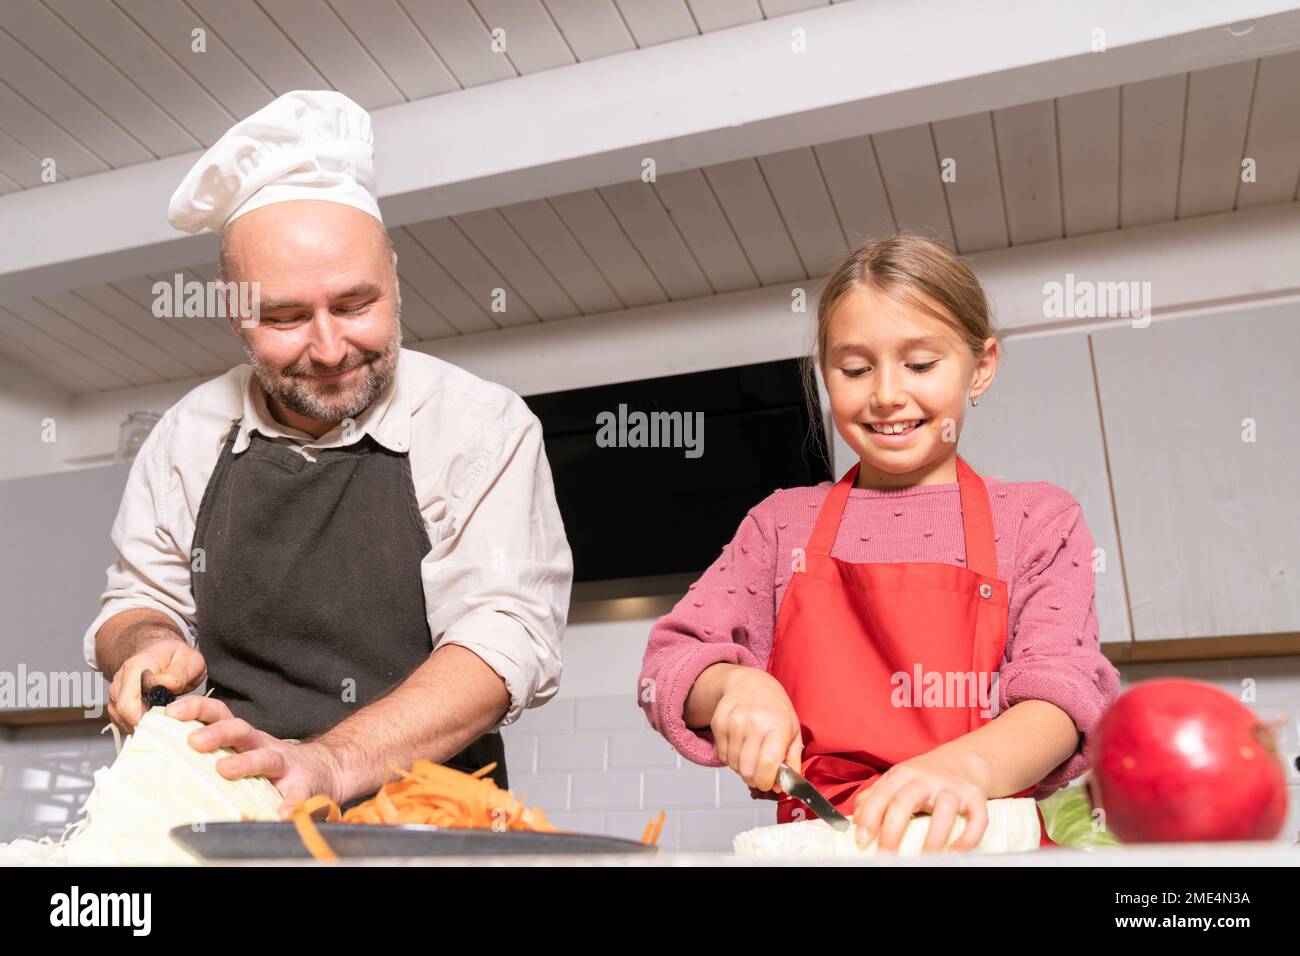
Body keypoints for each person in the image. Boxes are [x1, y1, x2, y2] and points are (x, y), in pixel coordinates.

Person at [84, 90, 573, 819]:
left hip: (434, 827)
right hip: (229, 818)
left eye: (354, 305)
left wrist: (330, 762)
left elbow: (503, 637)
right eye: (284, 316)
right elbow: (135, 602)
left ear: (396, 281)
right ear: (234, 312)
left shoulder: (480, 427)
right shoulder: (188, 437)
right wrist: (147, 643)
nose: (329, 347)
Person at [638, 234, 1120, 852]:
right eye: (856, 369)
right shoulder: (780, 525)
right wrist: (735, 687)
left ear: (982, 366)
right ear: (825, 375)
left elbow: (1063, 697)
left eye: (920, 364)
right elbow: (670, 665)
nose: (887, 394)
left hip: (986, 849)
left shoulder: (1037, 519)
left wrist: (962, 770)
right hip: (827, 848)